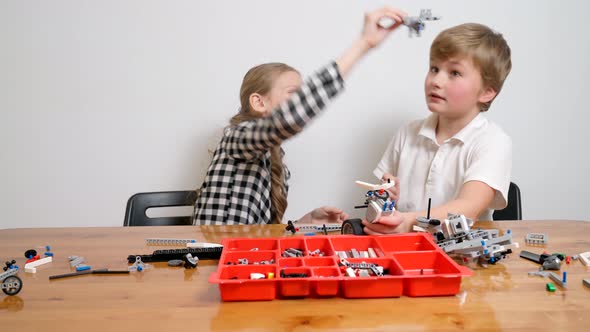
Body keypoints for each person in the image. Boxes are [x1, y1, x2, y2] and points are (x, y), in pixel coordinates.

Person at [194, 6, 408, 225]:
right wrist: (364, 44)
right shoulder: (236, 139)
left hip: (244, 255)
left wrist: (306, 221)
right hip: (214, 257)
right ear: (258, 102)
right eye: (293, 94)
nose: (300, 101)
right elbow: (290, 118)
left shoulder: (275, 163)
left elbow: (263, 234)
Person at [365, 22, 513, 234]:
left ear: (487, 92)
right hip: (405, 250)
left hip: (462, 257)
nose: (436, 80)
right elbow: (383, 194)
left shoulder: (493, 142)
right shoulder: (407, 133)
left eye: (454, 73)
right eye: (434, 68)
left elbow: (468, 207)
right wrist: (386, 194)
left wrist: (407, 222)